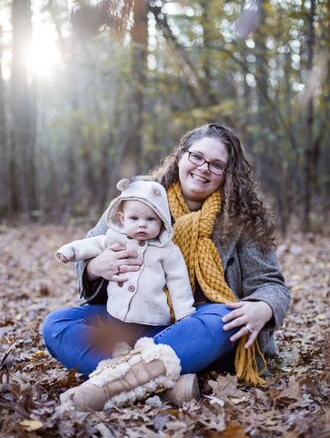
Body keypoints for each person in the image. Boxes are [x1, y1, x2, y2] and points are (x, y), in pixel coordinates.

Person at [42, 123, 290, 411]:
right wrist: (95, 267)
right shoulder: (138, 198)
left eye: (217, 165)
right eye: (196, 157)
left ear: (228, 174)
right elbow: (89, 251)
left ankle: (116, 382)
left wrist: (264, 307)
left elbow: (271, 283)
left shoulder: (242, 217)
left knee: (223, 316)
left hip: (198, 332)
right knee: (57, 324)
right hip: (134, 321)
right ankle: (166, 386)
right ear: (181, 156)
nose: (204, 168)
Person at [56, 177, 196, 326]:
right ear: (122, 218)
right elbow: (92, 244)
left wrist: (184, 314)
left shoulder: (168, 250)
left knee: (150, 339)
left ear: (162, 221)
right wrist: (69, 251)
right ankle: (118, 347)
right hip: (115, 315)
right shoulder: (115, 238)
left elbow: (179, 282)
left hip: (153, 321)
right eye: (134, 218)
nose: (142, 224)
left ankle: (150, 346)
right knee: (57, 323)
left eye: (150, 219)